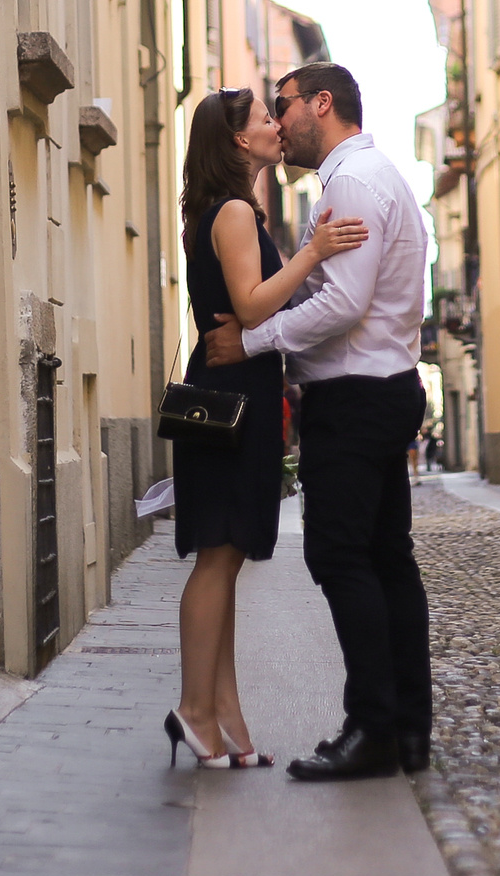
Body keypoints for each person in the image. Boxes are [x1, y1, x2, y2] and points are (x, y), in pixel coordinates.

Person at [203, 63, 433, 782]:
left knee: (341, 558)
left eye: (284, 103)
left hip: (357, 395)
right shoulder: (369, 175)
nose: (278, 117)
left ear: (321, 104)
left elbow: (345, 305)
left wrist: (252, 341)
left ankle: (373, 727)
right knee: (387, 558)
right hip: (377, 387)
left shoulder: (353, 182)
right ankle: (404, 727)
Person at [167, 86, 366, 770]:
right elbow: (251, 308)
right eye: (262, 120)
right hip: (230, 395)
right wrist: (313, 253)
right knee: (218, 557)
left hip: (235, 389)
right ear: (236, 142)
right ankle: (195, 710)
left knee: (225, 557)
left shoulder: (230, 210)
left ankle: (226, 716)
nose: (276, 127)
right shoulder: (230, 213)